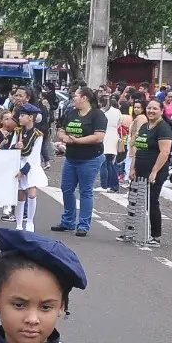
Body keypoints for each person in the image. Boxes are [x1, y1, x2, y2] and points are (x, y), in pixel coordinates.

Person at [120, 100, 172, 250]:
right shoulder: (144, 126)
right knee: (134, 200)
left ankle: (155, 236)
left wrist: (154, 171)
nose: (151, 111)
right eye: (149, 108)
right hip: (139, 169)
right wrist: (132, 167)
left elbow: (165, 152)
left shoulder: (164, 129)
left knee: (151, 202)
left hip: (155, 171)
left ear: (161, 111)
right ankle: (131, 231)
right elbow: (138, 148)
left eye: (155, 108)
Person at [52, 87, 104, 237]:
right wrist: (64, 137)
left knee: (85, 191)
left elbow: (98, 137)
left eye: (76, 96)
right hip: (71, 157)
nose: (73, 98)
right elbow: (61, 130)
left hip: (90, 158)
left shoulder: (97, 115)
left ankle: (83, 225)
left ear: (84, 98)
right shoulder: (72, 113)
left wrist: (78, 140)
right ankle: (68, 221)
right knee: (66, 189)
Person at [14, 106, 49, 233]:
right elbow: (11, 148)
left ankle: (30, 221)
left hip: (31, 166)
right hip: (19, 163)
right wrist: (15, 146)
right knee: (20, 194)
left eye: (22, 115)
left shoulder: (37, 135)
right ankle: (18, 223)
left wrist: (24, 170)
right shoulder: (17, 131)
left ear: (30, 118)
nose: (19, 118)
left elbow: (34, 155)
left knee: (32, 193)